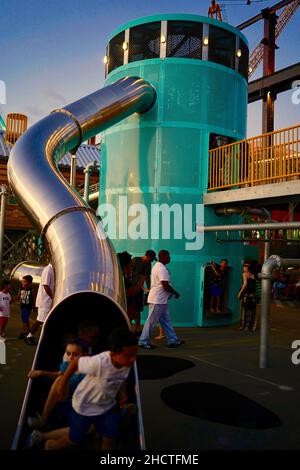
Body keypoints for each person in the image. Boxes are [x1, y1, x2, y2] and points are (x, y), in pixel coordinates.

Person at [27, 327, 138, 450]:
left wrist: (123, 393)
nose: (133, 360)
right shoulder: (97, 362)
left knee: (109, 437)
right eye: (129, 356)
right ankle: (50, 441)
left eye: (134, 355)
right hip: (83, 406)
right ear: (113, 355)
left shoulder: (125, 363)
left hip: (105, 406)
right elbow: (73, 364)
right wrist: (62, 383)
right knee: (76, 437)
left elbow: (121, 375)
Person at [27, 338, 87, 429]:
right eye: (68, 353)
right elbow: (58, 374)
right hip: (64, 396)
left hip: (78, 402)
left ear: (84, 355)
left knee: (60, 380)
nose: (70, 357)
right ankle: (43, 419)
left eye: (75, 354)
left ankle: (43, 420)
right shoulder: (66, 364)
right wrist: (41, 372)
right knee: (60, 379)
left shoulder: (87, 369)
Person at [138, 250, 184, 350]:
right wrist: (176, 293)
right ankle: (143, 341)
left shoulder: (158, 267)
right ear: (163, 257)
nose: (170, 258)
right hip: (157, 300)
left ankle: (173, 340)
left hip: (160, 300)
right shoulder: (161, 269)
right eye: (168, 256)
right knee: (151, 322)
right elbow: (165, 285)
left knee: (166, 321)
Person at [25, 262, 54, 345]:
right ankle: (29, 336)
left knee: (46, 320)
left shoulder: (52, 270)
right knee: (40, 320)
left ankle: (43, 337)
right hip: (45, 301)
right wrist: (53, 296)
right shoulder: (48, 270)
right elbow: (46, 286)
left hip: (48, 300)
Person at [118, 251, 146, 331]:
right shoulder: (122, 278)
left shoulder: (123, 276)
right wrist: (142, 279)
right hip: (125, 311)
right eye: (130, 263)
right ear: (126, 265)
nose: (132, 265)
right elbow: (131, 292)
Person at [131, 250, 157, 335]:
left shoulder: (148, 264)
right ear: (147, 256)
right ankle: (128, 328)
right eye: (151, 259)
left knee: (138, 309)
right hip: (131, 288)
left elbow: (147, 277)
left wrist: (150, 289)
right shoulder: (136, 260)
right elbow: (128, 272)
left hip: (140, 289)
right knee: (131, 308)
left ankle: (138, 329)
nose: (151, 261)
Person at [238, 263, 257, 332]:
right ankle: (249, 326)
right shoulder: (253, 275)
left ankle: (243, 326)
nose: (243, 268)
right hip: (253, 296)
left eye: (244, 266)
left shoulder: (244, 274)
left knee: (244, 311)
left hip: (246, 295)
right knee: (251, 312)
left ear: (247, 268)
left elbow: (245, 284)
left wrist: (240, 293)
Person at [16, 275, 36, 339]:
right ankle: (28, 330)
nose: (23, 283)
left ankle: (22, 332)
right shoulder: (21, 288)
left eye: (25, 281)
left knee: (24, 319)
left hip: (28, 307)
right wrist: (11, 300)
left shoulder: (32, 290)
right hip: (22, 306)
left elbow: (34, 299)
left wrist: (34, 307)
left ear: (30, 283)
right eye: (22, 281)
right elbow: (18, 296)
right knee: (25, 319)